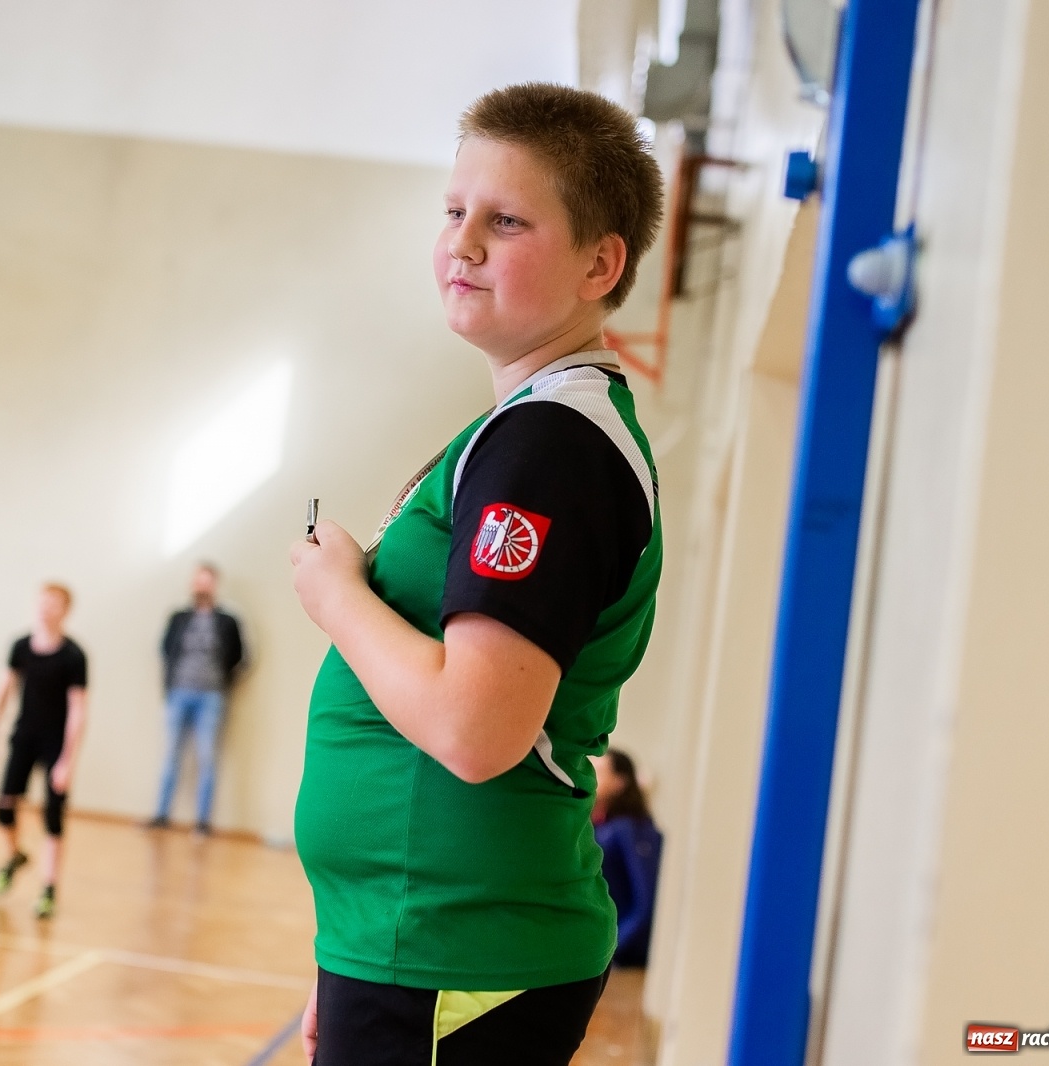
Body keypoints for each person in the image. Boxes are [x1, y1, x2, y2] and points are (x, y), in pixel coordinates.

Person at [289, 83, 664, 1064]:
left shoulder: (550, 446)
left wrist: (340, 599)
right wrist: (349, 949)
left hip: (456, 947)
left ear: (599, 261)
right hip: (412, 943)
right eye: (454, 212)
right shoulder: (524, 428)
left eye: (505, 221)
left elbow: (473, 727)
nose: (461, 245)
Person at [0, 582, 89, 919]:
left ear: (65, 610)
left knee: (53, 815)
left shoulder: (73, 656)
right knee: (3, 807)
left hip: (55, 741)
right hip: (24, 736)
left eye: (54, 604)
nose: (46, 609)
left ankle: (48, 888)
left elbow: (78, 709)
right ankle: (14, 855)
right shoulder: (20, 647)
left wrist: (67, 761)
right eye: (42, 602)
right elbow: (3, 691)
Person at [149, 563, 246, 834]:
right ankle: (161, 816)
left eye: (207, 581)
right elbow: (165, 649)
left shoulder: (228, 621)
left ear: (215, 585)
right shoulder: (178, 617)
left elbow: (240, 657)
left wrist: (224, 681)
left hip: (212, 697)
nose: (202, 586)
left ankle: (202, 824)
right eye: (198, 581)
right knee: (170, 756)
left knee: (207, 759)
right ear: (193, 585)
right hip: (178, 693)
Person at [590, 750, 663, 968]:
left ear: (620, 782)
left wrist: (613, 950)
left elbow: (646, 900)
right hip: (604, 951)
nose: (590, 778)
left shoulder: (629, 829)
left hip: (624, 958)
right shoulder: (598, 827)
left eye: (599, 772)